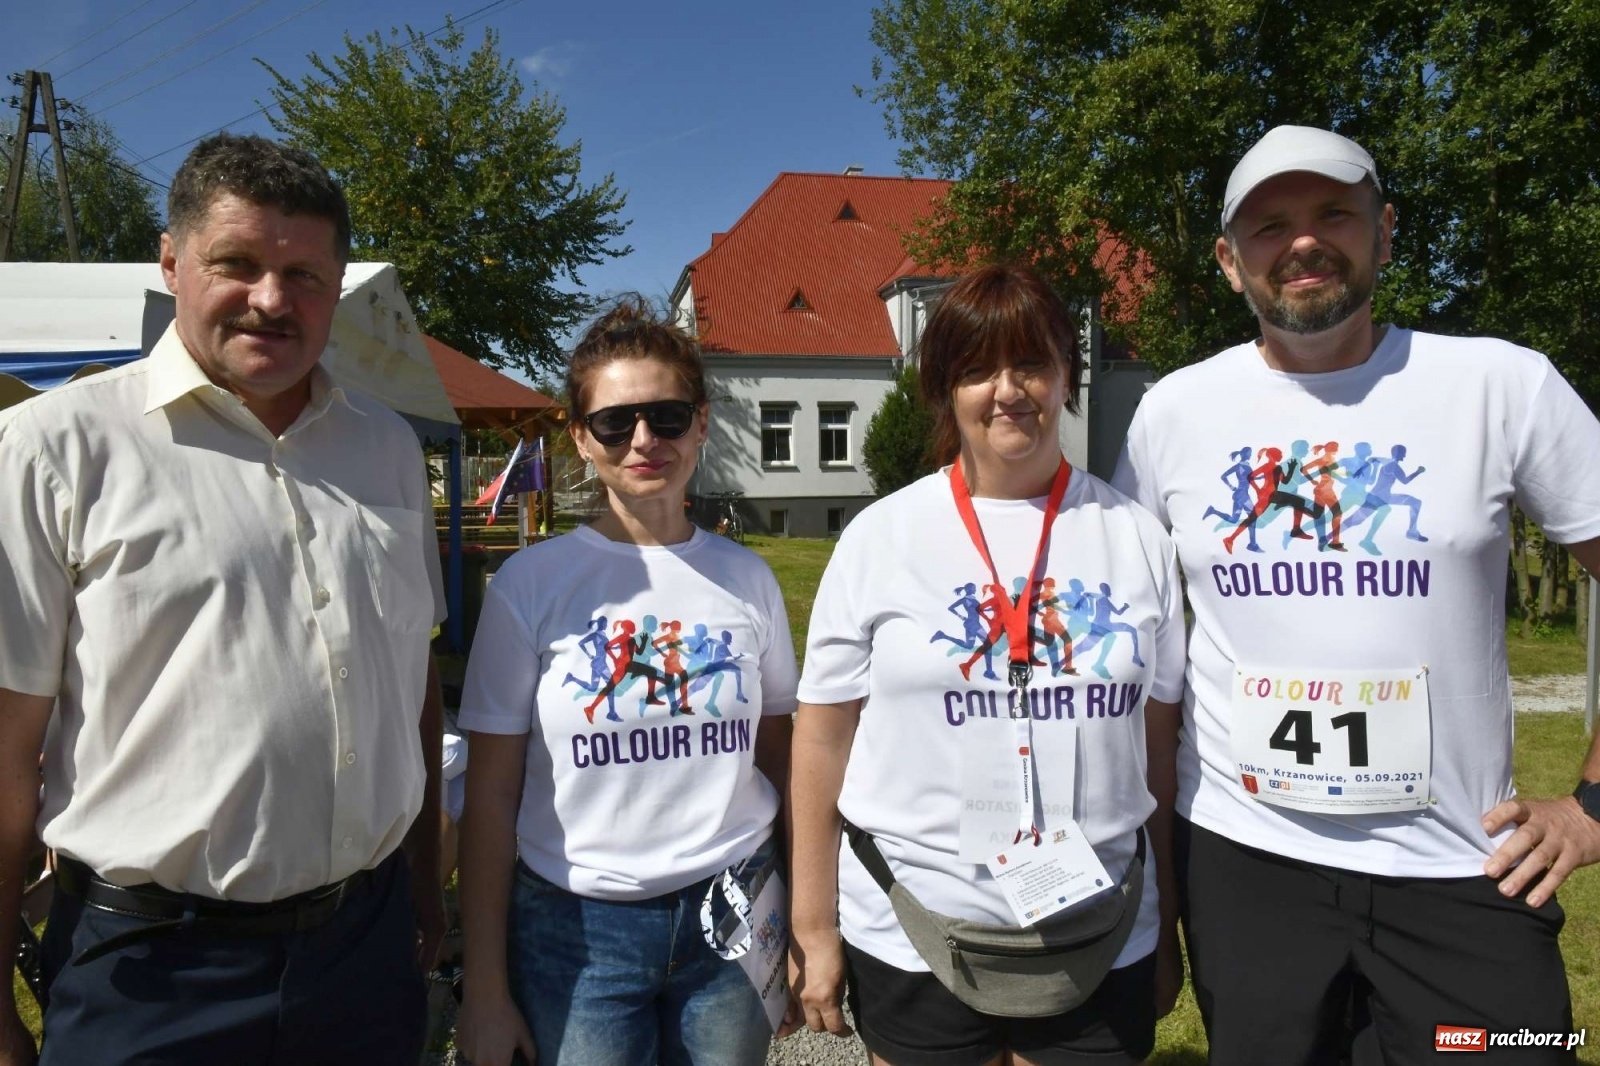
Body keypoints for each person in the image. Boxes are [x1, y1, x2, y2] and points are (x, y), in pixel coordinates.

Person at [1112, 124, 1600, 1064]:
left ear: (1385, 232)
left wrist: (1592, 806)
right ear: (1227, 260)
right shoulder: (1173, 411)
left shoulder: (1500, 384)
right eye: (1268, 225)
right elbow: (1136, 649)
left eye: (1334, 212)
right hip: (1245, 874)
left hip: (1465, 873)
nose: (1303, 241)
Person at [0, 132, 446, 1066]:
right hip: (152, 975)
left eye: (306, 275)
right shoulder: (55, 448)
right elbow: (6, 757)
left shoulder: (387, 450)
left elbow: (413, 688)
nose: (273, 300)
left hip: (363, 954)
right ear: (171, 262)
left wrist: (424, 901)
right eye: (236, 264)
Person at [790, 263, 1186, 1066]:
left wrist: (1167, 920)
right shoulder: (881, 537)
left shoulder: (1136, 538)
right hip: (917, 927)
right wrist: (813, 926)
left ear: (1067, 375)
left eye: (1031, 363)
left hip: (1100, 927)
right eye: (976, 370)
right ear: (945, 390)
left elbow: (1158, 755)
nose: (1007, 391)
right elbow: (821, 742)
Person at [454, 297, 799, 1066]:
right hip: (577, 930)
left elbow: (780, 757)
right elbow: (489, 798)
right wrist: (483, 988)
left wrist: (806, 922)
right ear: (581, 438)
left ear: (701, 424)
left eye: (668, 416)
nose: (644, 439)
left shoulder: (746, 579)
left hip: (733, 912)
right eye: (615, 422)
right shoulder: (529, 584)